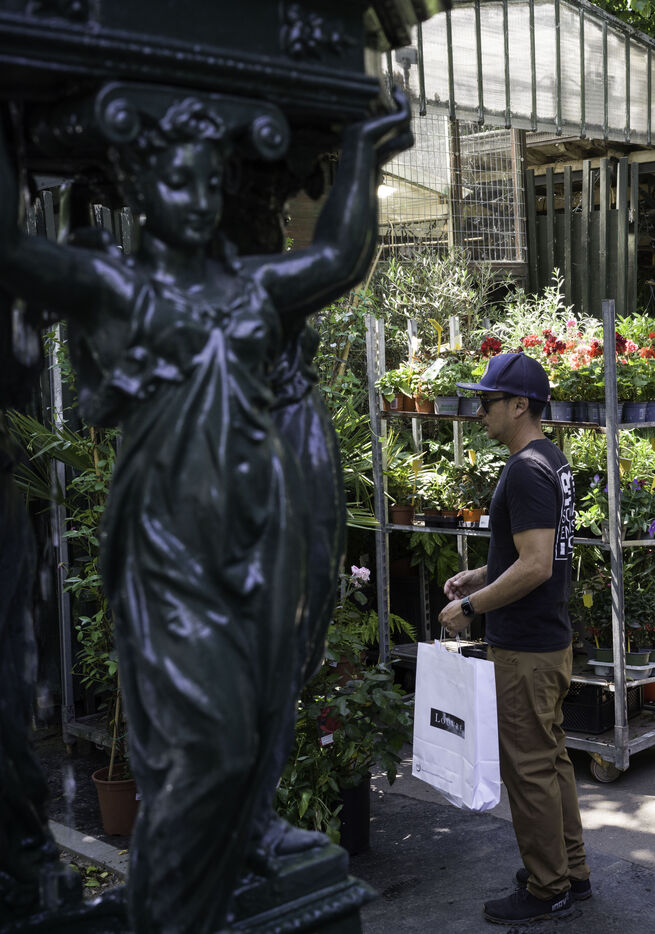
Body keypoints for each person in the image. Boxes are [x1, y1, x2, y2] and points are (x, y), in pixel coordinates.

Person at [0, 89, 411, 933]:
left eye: (208, 184)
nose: (196, 201)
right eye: (177, 183)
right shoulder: (120, 289)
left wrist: (367, 150)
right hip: (170, 554)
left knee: (252, 734)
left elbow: (339, 257)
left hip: (261, 548)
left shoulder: (249, 288)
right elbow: (12, 252)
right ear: (141, 190)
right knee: (205, 756)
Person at [439, 352, 589, 925]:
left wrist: (469, 607)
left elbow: (536, 565)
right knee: (551, 761)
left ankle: (549, 888)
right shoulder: (551, 460)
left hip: (525, 648)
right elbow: (535, 551)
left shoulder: (525, 469)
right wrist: (481, 574)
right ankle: (572, 872)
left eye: (488, 402)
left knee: (528, 770)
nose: (479, 412)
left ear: (519, 405)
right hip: (547, 641)